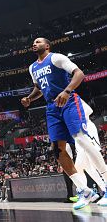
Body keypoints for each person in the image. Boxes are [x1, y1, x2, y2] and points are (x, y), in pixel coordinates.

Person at [21, 37, 107, 209]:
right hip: (51, 107)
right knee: (57, 150)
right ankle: (85, 190)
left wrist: (67, 91)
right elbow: (39, 87)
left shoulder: (56, 58)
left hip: (68, 101)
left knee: (82, 140)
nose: (34, 43)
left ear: (47, 45)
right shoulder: (32, 68)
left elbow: (79, 74)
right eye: (33, 42)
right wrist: (30, 98)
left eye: (38, 41)